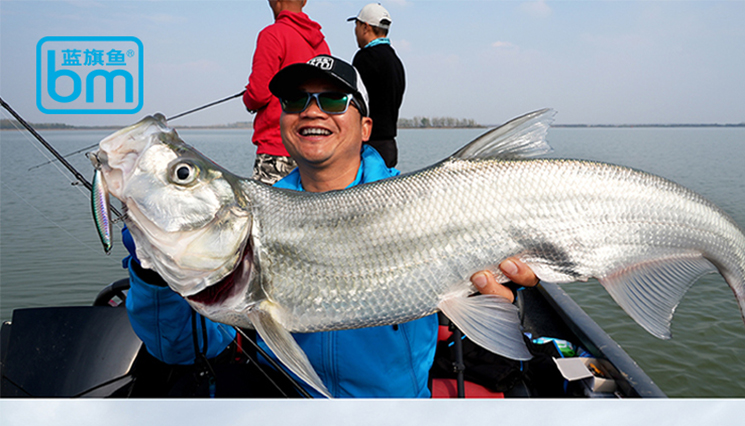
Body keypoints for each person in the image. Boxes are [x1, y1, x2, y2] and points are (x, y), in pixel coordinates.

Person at [125, 53, 538, 397]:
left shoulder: (425, 202)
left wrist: (504, 286)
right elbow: (182, 348)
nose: (311, 111)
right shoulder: (246, 218)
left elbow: (495, 270)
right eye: (295, 101)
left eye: (335, 100)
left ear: (366, 127)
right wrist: (154, 273)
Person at [243, 0, 330, 185]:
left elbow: (259, 94)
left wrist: (247, 98)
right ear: (304, 1)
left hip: (277, 147)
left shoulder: (272, 35)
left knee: (266, 213)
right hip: (313, 148)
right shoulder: (321, 44)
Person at [347, 3, 405, 167]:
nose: (355, 31)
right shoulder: (395, 61)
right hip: (389, 146)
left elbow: (356, 102)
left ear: (365, 27)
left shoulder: (364, 58)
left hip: (369, 147)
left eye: (356, 25)